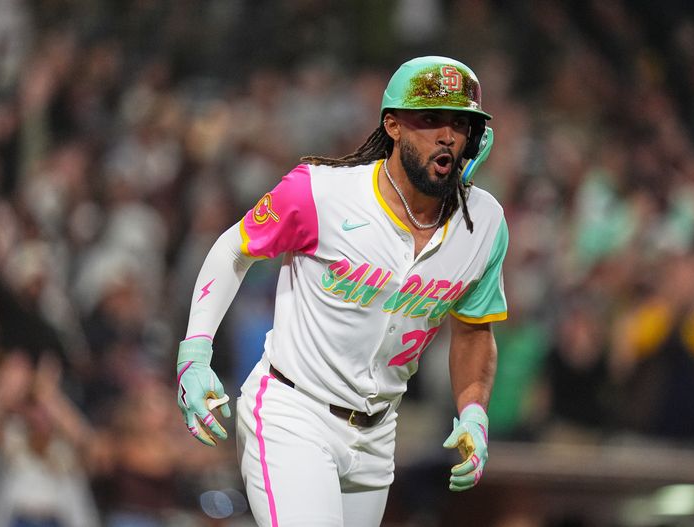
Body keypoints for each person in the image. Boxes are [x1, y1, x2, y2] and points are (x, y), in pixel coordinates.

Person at [175, 55, 508, 526]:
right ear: (392, 125)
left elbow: (475, 330)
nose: (448, 136)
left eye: (461, 123)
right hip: (294, 410)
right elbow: (235, 248)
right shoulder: (322, 192)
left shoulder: (485, 224)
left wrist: (473, 410)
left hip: (377, 434)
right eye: (430, 119)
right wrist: (195, 350)